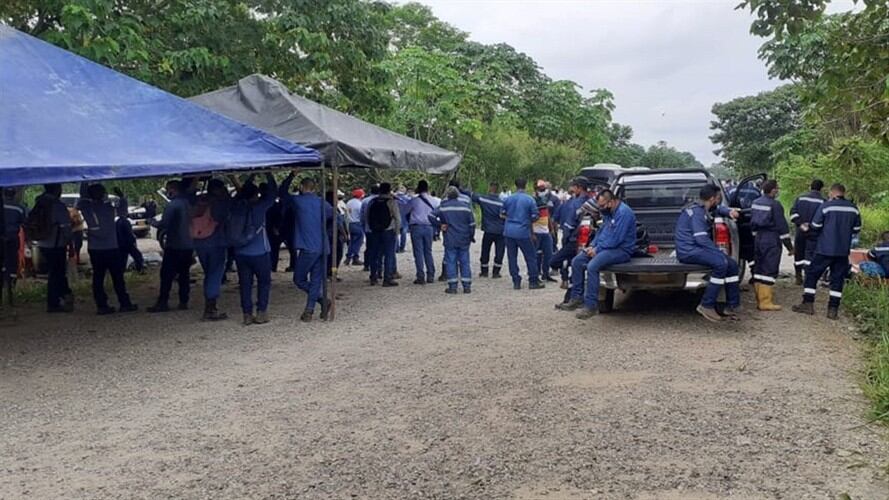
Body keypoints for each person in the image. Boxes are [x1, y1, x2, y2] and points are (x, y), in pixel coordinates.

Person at [557, 190, 637, 319]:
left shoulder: (623, 213)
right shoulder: (608, 212)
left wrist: (597, 249)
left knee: (592, 266)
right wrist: (592, 246)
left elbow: (616, 239)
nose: (600, 208)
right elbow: (601, 232)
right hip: (604, 247)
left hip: (621, 250)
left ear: (611, 202)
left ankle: (591, 306)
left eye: (602, 205)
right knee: (577, 261)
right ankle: (576, 298)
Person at [672, 185, 742, 322]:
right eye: (718, 198)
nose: (719, 200)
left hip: (695, 248)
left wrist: (729, 212)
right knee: (721, 263)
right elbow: (701, 239)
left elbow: (717, 209)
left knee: (732, 265)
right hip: (689, 251)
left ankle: (732, 305)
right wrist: (718, 253)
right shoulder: (697, 213)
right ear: (712, 198)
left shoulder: (703, 207)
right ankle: (706, 305)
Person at [793, 183, 862, 320]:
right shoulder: (853, 209)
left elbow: (816, 225)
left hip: (825, 249)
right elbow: (856, 229)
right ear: (843, 192)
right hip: (842, 251)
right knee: (837, 279)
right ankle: (833, 310)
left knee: (812, 274)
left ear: (832, 192)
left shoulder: (826, 206)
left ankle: (808, 304)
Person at [77, 182, 138, 315]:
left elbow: (81, 200)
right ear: (104, 194)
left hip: (95, 248)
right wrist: (122, 197)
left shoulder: (86, 208)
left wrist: (84, 182)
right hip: (111, 247)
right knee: (117, 277)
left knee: (98, 278)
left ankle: (102, 305)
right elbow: (123, 212)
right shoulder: (109, 208)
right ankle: (124, 303)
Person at [280, 173, 334, 322]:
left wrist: (291, 175)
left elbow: (282, 192)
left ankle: (321, 299)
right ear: (314, 188)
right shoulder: (322, 202)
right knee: (316, 279)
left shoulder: (298, 201)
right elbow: (333, 215)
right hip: (323, 246)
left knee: (299, 279)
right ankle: (309, 310)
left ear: (302, 187)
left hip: (308, 246)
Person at [232, 174, 277, 326]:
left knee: (245, 284)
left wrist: (250, 178)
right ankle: (261, 312)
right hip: (259, 252)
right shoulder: (260, 207)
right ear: (256, 195)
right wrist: (268, 174)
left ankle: (246, 314)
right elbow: (273, 193)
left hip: (240, 252)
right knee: (264, 282)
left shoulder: (235, 206)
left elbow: (243, 191)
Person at [148, 179, 194, 313]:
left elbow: (164, 224)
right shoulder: (188, 203)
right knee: (184, 274)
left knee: (167, 274)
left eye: (168, 189)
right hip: (188, 244)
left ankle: (163, 302)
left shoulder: (173, 205)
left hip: (175, 245)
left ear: (173, 190)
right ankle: (183, 301)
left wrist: (152, 222)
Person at [750, 180, 794, 311]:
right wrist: (790, 248)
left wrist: (755, 237)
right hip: (771, 239)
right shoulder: (775, 205)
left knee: (759, 268)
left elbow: (752, 223)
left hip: (758, 238)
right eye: (777, 189)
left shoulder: (756, 202)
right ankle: (765, 302)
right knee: (769, 269)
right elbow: (782, 229)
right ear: (773, 190)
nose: (778, 191)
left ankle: (759, 298)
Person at [192, 178, 232, 321]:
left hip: (199, 241)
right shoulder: (220, 203)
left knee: (208, 273)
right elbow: (228, 214)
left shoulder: (199, 200)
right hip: (216, 242)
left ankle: (210, 305)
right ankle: (210, 308)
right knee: (215, 274)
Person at [32, 184, 74, 313]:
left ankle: (63, 295)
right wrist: (68, 240)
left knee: (54, 273)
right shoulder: (58, 206)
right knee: (57, 274)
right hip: (56, 244)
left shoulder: (39, 203)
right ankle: (54, 302)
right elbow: (66, 226)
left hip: (42, 243)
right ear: (57, 190)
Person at [501, 178, 544, 290]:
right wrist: (527, 221)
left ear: (515, 186)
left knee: (512, 257)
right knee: (530, 256)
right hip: (523, 232)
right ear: (525, 185)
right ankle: (533, 281)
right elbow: (535, 216)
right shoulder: (530, 200)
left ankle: (516, 281)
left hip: (509, 231)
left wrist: (510, 218)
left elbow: (502, 214)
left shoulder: (508, 199)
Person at [431, 186, 476, 294]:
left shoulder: (443, 206)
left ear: (447, 195)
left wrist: (439, 225)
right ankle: (467, 286)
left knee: (451, 261)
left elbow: (430, 215)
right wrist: (471, 236)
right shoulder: (466, 207)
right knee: (465, 261)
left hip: (450, 238)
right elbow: (472, 224)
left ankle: (452, 286)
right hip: (464, 238)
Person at [550, 177, 590, 289]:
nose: (571, 188)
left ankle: (567, 280)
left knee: (561, 260)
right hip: (585, 239)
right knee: (574, 261)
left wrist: (565, 236)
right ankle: (572, 282)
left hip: (572, 238)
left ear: (579, 188)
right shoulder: (592, 202)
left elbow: (563, 222)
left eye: (573, 186)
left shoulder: (572, 204)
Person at [790, 179, 825, 285]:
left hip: (800, 230)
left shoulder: (800, 198)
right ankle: (808, 277)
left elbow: (793, 213)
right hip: (814, 232)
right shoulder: (823, 201)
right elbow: (824, 218)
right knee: (811, 254)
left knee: (799, 253)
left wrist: (801, 224)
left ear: (810, 187)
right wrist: (812, 226)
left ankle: (798, 275)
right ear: (821, 189)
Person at [365, 182, 401, 287]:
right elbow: (397, 218)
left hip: (375, 231)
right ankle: (387, 278)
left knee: (374, 254)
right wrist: (397, 232)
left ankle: (373, 277)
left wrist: (370, 228)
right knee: (389, 255)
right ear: (389, 190)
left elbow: (367, 216)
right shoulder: (391, 202)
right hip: (388, 231)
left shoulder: (372, 201)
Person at [469, 182, 505, 278]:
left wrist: (459, 188)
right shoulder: (502, 203)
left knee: (485, 250)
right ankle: (496, 272)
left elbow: (471, 195)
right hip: (500, 231)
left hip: (488, 230)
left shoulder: (483, 199)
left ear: (490, 189)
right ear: (498, 191)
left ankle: (484, 271)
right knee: (499, 251)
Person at [406, 180, 437, 285]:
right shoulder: (433, 200)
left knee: (418, 252)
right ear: (427, 188)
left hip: (416, 227)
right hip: (429, 227)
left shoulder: (414, 200)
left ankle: (420, 276)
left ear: (418, 188)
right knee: (428, 251)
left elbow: (406, 210)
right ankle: (431, 275)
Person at [1, 188, 26, 319]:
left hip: (2, 238)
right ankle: (11, 289)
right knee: (12, 263)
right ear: (14, 194)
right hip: (12, 239)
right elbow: (24, 223)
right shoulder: (19, 208)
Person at [533, 180, 557, 283]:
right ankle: (536, 274)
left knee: (549, 254)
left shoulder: (546, 199)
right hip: (536, 232)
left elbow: (547, 215)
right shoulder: (533, 201)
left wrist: (551, 229)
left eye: (544, 188)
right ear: (537, 190)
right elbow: (529, 218)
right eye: (541, 189)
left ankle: (546, 274)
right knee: (536, 254)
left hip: (546, 232)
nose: (543, 190)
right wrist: (531, 233)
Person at [360, 184, 380, 271]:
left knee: (369, 247)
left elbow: (362, 216)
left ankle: (367, 265)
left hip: (368, 228)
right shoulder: (382, 200)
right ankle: (379, 268)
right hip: (380, 229)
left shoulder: (365, 201)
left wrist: (364, 226)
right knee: (379, 249)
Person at [345, 188, 365, 266]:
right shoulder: (359, 204)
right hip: (357, 223)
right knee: (358, 242)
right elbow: (362, 215)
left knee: (352, 242)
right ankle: (355, 258)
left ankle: (348, 257)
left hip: (350, 224)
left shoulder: (349, 202)